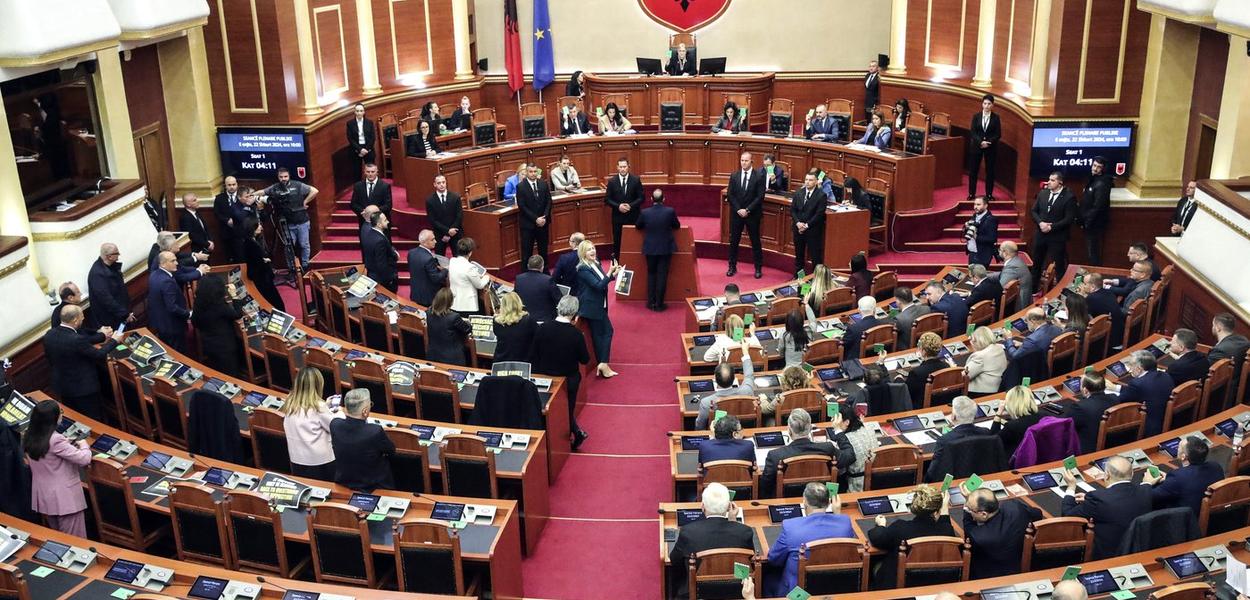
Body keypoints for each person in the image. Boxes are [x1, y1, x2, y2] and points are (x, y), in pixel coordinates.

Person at [765, 482, 854, 596]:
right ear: (828, 503)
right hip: (834, 588)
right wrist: (837, 514)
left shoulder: (791, 527)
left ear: (805, 503)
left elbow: (773, 559)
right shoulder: (845, 523)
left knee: (767, 579)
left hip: (797, 594)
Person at [667, 483, 754, 600]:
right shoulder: (745, 532)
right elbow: (750, 562)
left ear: (703, 506)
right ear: (728, 507)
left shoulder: (688, 532)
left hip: (698, 593)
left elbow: (674, 560)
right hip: (737, 592)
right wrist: (733, 522)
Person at [1061, 455, 1152, 559]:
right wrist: (1089, 500)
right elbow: (1121, 502)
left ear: (1107, 475)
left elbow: (1068, 516)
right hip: (1139, 553)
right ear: (1132, 473)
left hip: (1109, 557)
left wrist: (1071, 487)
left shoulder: (1098, 498)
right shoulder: (1146, 491)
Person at [23, 400, 92, 537]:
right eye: (60, 412)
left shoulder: (29, 436)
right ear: (53, 418)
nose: (61, 415)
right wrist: (84, 444)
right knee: (74, 542)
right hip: (65, 498)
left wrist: (66, 443)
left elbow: (48, 453)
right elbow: (84, 459)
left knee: (58, 538)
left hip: (45, 497)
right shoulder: (56, 440)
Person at [866, 484, 956, 589]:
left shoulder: (901, 528)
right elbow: (946, 525)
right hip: (933, 583)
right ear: (936, 511)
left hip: (900, 583)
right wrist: (944, 509)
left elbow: (877, 538)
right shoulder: (946, 532)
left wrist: (880, 525)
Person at [531, 296, 591, 449]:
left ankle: (575, 432)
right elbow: (585, 359)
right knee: (567, 409)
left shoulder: (543, 328)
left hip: (545, 378)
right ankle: (573, 434)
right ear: (574, 313)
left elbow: (534, 353)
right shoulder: (576, 335)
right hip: (568, 380)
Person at [43, 305, 121, 421]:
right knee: (93, 419)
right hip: (83, 388)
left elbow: (50, 359)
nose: (83, 318)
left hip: (63, 387)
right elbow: (98, 354)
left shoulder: (49, 335)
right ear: (75, 320)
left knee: (75, 418)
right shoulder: (76, 339)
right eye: (81, 317)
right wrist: (115, 341)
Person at [760, 408, 854, 498]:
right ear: (810, 428)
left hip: (786, 500)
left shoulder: (775, 455)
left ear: (789, 430)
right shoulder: (827, 448)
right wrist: (838, 430)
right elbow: (850, 456)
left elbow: (765, 486)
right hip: (820, 497)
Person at [962, 487, 1042, 579]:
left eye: (970, 510)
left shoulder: (979, 536)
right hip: (1027, 565)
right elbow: (1038, 514)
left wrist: (966, 510)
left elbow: (968, 531)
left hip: (994, 577)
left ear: (984, 514)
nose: (969, 512)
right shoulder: (1015, 506)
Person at [282, 368, 343, 480]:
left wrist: (325, 405)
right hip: (321, 463)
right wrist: (339, 412)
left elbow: (309, 417)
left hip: (297, 461)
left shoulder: (289, 404)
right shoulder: (318, 407)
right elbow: (336, 427)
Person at [330, 389, 395, 492]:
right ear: (365, 411)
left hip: (344, 480)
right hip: (372, 486)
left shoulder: (335, 424)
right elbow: (391, 451)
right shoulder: (375, 431)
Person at [1142, 435, 1223, 516]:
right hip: (1213, 516)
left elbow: (1149, 498)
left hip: (1187, 520)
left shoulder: (1177, 477)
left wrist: (1146, 483)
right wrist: (1169, 480)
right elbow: (1190, 481)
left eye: (1179, 447)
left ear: (1183, 457)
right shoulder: (1216, 466)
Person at [575, 240, 620, 377]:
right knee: (607, 331)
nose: (593, 251)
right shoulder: (583, 268)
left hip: (599, 304)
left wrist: (613, 274)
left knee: (598, 335)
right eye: (589, 249)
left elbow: (602, 280)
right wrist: (609, 273)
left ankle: (602, 364)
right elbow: (598, 286)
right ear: (583, 253)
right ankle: (603, 363)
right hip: (591, 306)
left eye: (593, 248)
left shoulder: (595, 263)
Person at [925, 395, 995, 481]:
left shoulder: (944, 440)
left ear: (953, 417)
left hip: (954, 481)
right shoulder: (986, 432)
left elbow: (933, 472)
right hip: (979, 478)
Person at [261, 167, 318, 269]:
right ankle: (292, 267)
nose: (283, 179)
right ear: (278, 177)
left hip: (302, 221)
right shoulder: (275, 188)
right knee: (288, 246)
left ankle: (305, 265)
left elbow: (314, 191)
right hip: (287, 224)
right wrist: (250, 195)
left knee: (304, 245)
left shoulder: (297, 185)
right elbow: (262, 192)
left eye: (285, 176)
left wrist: (305, 202)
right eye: (281, 177)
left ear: (289, 176)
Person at [191, 275, 247, 377]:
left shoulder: (199, 302)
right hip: (225, 346)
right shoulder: (219, 305)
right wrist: (234, 295)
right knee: (230, 375)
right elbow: (237, 314)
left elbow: (194, 322)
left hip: (208, 344)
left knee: (217, 372)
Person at [694, 340, 756, 430]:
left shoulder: (707, 402)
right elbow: (749, 375)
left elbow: (700, 426)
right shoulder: (747, 391)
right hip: (744, 429)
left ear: (715, 379)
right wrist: (745, 352)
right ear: (734, 378)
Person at [635, 188, 680, 311]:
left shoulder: (645, 212)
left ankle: (650, 302)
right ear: (663, 199)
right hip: (665, 248)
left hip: (650, 248)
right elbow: (677, 225)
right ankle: (659, 304)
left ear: (651, 199)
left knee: (651, 274)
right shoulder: (670, 211)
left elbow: (638, 226)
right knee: (662, 275)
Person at [1030, 171, 1078, 282]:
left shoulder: (1069, 197)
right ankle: (1033, 288)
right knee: (1037, 263)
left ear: (1060, 182)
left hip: (1057, 237)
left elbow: (1069, 219)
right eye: (1049, 179)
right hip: (1041, 234)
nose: (1049, 182)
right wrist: (1040, 223)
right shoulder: (1043, 193)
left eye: (1052, 180)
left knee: (1059, 265)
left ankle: (1060, 289)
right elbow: (1034, 211)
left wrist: (1051, 227)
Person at [1117, 349, 1175, 436]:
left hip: (1147, 428)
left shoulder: (1137, 383)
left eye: (1131, 365)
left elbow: (1120, 400)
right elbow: (1140, 391)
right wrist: (1117, 388)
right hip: (1166, 421)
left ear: (1139, 368)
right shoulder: (1165, 375)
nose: (1129, 370)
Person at [726, 152, 765, 278]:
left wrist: (747, 210)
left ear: (751, 161)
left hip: (752, 214)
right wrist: (739, 209)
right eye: (742, 160)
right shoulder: (734, 175)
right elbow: (730, 194)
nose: (743, 163)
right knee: (734, 241)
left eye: (746, 160)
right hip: (737, 214)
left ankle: (758, 268)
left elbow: (760, 196)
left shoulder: (759, 176)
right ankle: (732, 266)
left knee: (755, 242)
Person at [1061, 371, 1119, 454]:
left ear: (1085, 390)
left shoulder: (1080, 407)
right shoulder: (1115, 399)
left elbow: (1066, 427)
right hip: (1112, 444)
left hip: (1088, 449)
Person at [148, 251, 192, 351]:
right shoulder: (166, 281)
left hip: (161, 324)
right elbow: (172, 307)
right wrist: (188, 314)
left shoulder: (154, 275)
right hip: (172, 326)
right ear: (163, 264)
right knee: (179, 353)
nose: (176, 263)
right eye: (173, 261)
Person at [831, 403, 879, 491]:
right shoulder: (869, 428)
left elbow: (840, 470)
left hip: (856, 486)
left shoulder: (846, 439)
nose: (833, 423)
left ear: (847, 422)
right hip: (875, 482)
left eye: (836, 420)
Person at [241, 217, 286, 311]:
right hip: (262, 279)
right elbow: (257, 262)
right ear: (252, 228)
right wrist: (265, 261)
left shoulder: (251, 241)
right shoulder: (251, 244)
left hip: (261, 277)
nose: (261, 227)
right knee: (276, 303)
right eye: (258, 225)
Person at [989, 385, 1045, 458]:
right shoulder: (1045, 416)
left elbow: (993, 442)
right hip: (1042, 454)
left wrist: (998, 413)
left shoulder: (1012, 426)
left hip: (1019, 459)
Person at [605, 157, 644, 259]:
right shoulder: (612, 181)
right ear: (617, 167)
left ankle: (634, 260)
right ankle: (618, 261)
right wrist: (618, 206)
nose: (622, 169)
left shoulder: (636, 180)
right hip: (618, 218)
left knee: (633, 240)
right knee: (618, 241)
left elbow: (641, 198)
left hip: (633, 217)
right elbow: (607, 199)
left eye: (624, 167)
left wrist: (630, 206)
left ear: (628, 167)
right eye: (621, 167)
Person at [1003, 307, 1062, 371]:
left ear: (1033, 321)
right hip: (1055, 366)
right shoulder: (1057, 329)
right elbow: (1042, 344)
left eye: (1026, 320)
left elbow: (1015, 356)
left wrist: (1009, 339)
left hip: (1037, 369)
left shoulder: (1032, 340)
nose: (1026, 323)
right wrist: (1023, 345)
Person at [790, 171, 826, 275]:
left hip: (812, 230)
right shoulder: (798, 192)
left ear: (816, 182)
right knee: (799, 255)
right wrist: (797, 223)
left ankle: (816, 278)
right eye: (806, 180)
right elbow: (793, 210)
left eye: (810, 180)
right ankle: (799, 276)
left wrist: (806, 225)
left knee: (815, 256)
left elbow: (819, 214)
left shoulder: (821, 195)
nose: (807, 182)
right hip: (798, 229)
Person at [425, 288, 472, 366]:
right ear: (450, 302)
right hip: (452, 359)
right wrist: (468, 323)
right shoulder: (454, 317)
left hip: (433, 356)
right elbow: (467, 329)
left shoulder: (428, 313)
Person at [967, 94, 1002, 200]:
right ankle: (972, 194)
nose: (986, 106)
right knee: (973, 171)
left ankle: (989, 194)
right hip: (977, 147)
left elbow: (998, 134)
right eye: (985, 103)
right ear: (982, 104)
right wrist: (981, 142)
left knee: (990, 172)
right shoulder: (976, 116)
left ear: (992, 105)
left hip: (990, 148)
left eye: (989, 104)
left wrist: (988, 142)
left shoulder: (996, 118)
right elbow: (973, 132)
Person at [517, 164, 553, 262]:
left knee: (543, 250)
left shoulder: (543, 184)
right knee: (527, 252)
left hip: (543, 224)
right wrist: (536, 219)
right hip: (528, 225)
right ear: (526, 172)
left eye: (535, 171)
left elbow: (549, 201)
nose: (533, 174)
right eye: (531, 172)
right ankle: (526, 270)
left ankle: (544, 269)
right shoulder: (521, 187)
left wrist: (544, 217)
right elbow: (522, 206)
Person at [907, 332, 952, 409]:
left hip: (920, 408)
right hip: (942, 404)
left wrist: (899, 380)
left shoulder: (916, 373)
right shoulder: (947, 367)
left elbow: (907, 395)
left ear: (923, 351)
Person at [1081, 156, 1112, 264]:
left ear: (1103, 169)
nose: (1095, 169)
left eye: (1099, 167)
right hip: (1089, 221)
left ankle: (1095, 271)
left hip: (1094, 223)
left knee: (1093, 251)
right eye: (1094, 165)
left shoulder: (1103, 183)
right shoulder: (1092, 178)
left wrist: (1087, 222)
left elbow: (1098, 206)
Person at [1081, 272, 1125, 347]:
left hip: (1108, 340)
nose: (1083, 286)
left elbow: (1083, 316)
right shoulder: (1109, 292)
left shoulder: (1091, 298)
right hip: (1119, 334)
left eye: (1085, 284)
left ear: (1093, 286)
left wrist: (1081, 297)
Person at [515, 255, 562, 322]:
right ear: (542, 267)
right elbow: (559, 300)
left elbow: (515, 298)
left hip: (525, 319)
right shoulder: (548, 280)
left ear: (528, 266)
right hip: (545, 320)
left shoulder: (519, 279)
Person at [449, 238, 490, 314]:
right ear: (470, 252)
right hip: (467, 306)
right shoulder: (470, 267)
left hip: (454, 304)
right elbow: (480, 285)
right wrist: (487, 277)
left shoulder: (452, 261)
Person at [492, 292, 536, 363]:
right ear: (519, 303)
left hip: (501, 361)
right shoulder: (528, 320)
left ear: (502, 305)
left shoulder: (496, 321)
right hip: (523, 362)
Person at [362, 211, 399, 292]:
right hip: (383, 281)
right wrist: (389, 279)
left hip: (372, 275)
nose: (388, 222)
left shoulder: (369, 234)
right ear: (379, 224)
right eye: (385, 220)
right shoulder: (380, 240)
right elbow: (382, 264)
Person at [426, 175, 463, 256]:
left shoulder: (455, 197)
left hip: (455, 233)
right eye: (439, 183)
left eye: (443, 182)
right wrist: (447, 231)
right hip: (440, 234)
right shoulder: (430, 200)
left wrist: (452, 230)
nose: (441, 185)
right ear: (434, 184)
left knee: (459, 257)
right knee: (440, 258)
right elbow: (432, 220)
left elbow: (459, 215)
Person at [407, 229, 447, 306]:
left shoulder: (411, 253)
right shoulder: (428, 259)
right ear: (424, 242)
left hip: (416, 293)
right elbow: (436, 278)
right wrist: (445, 270)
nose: (435, 241)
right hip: (428, 296)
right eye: (432, 240)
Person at [965, 326, 1007, 396]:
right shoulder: (999, 348)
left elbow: (964, 376)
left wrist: (953, 367)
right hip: (996, 388)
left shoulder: (980, 356)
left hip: (980, 392)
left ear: (978, 341)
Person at [1208, 313, 1250, 380]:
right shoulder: (1243, 340)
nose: (1212, 327)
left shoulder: (1219, 351)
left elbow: (1207, 374)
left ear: (1218, 327)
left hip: (1228, 384)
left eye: (1213, 325)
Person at [964, 195, 999, 267]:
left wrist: (976, 237)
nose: (975, 207)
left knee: (978, 274)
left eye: (978, 204)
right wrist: (967, 228)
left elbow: (992, 239)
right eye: (974, 204)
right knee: (971, 273)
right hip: (972, 252)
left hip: (982, 255)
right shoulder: (974, 215)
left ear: (986, 206)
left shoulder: (991, 219)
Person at [213, 176, 241, 261]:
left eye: (233, 184)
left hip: (241, 232)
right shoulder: (219, 198)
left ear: (237, 184)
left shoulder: (242, 196)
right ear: (225, 186)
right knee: (229, 257)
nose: (232, 187)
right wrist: (226, 220)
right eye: (229, 185)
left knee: (241, 256)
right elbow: (217, 213)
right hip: (226, 232)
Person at [996, 241, 1033, 307]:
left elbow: (1000, 288)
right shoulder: (1017, 261)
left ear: (1005, 253)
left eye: (1000, 250)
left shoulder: (1012, 267)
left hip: (1018, 305)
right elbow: (1003, 273)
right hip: (1023, 299)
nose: (999, 252)